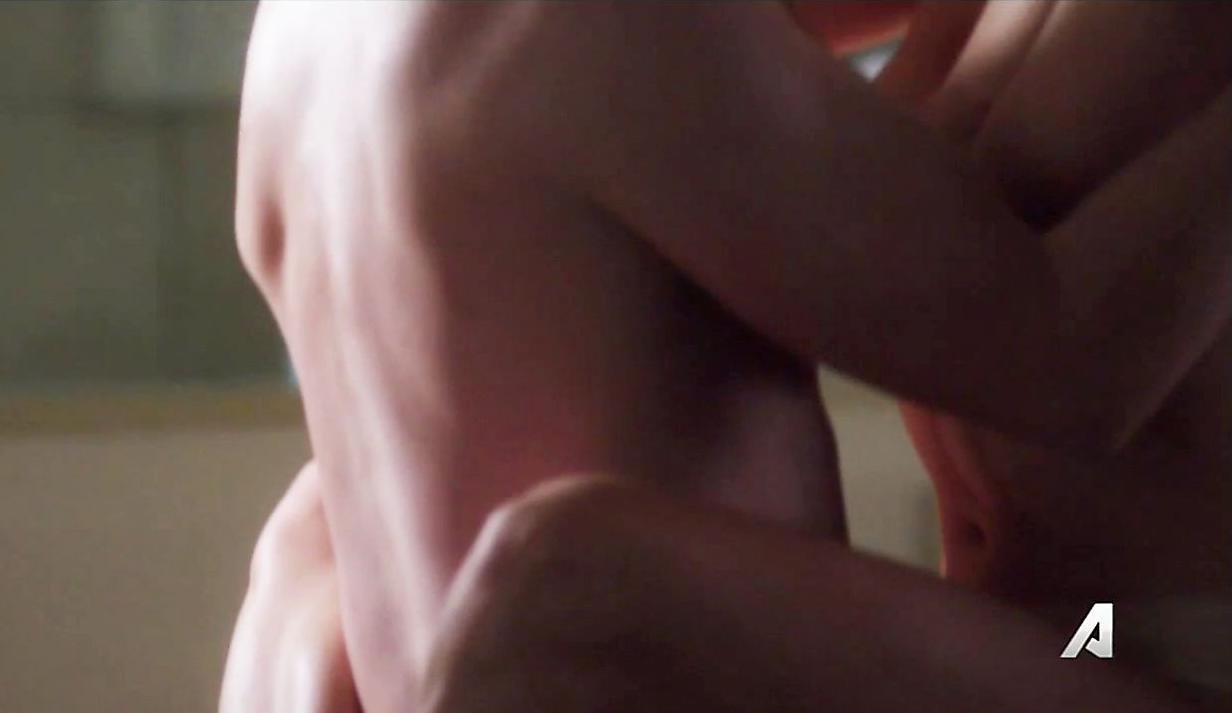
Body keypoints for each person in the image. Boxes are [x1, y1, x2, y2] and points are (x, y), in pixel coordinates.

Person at [220, 2, 1232, 711]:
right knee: (314, 563)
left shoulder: (309, 35)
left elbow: (1075, 362)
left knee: (565, 583)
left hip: (1119, 634)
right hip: (1037, 632)